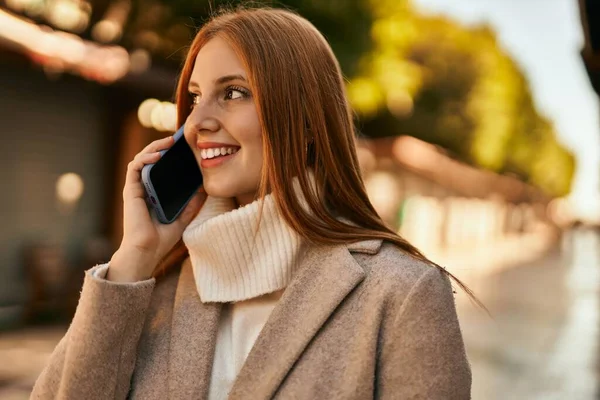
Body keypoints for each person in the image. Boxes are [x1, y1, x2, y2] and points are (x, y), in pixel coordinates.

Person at [31, 6, 473, 400]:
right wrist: (134, 258)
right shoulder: (148, 286)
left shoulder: (402, 294)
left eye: (234, 92)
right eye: (196, 97)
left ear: (305, 119)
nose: (197, 122)